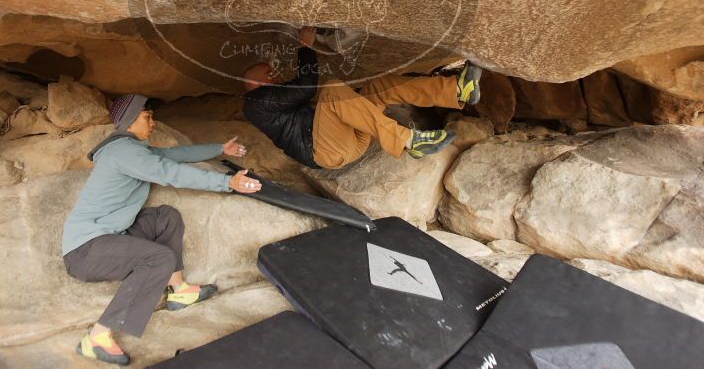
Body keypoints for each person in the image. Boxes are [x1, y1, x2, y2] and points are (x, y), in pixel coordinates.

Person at [61, 94, 262, 365]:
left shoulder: (132, 148)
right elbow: (169, 172)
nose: (153, 123)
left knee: (165, 217)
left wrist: (219, 148)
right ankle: (97, 336)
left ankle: (178, 291)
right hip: (86, 250)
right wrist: (226, 183)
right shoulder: (123, 152)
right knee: (159, 259)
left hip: (111, 236)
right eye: (147, 117)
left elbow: (173, 156)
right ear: (130, 121)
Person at [242, 26, 482, 170]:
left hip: (348, 141)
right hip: (325, 150)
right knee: (332, 89)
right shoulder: (254, 103)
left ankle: (456, 90)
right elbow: (306, 87)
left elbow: (301, 91)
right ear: (253, 84)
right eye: (269, 74)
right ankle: (410, 139)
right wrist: (305, 47)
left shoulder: (271, 101)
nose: (276, 75)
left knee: (376, 87)